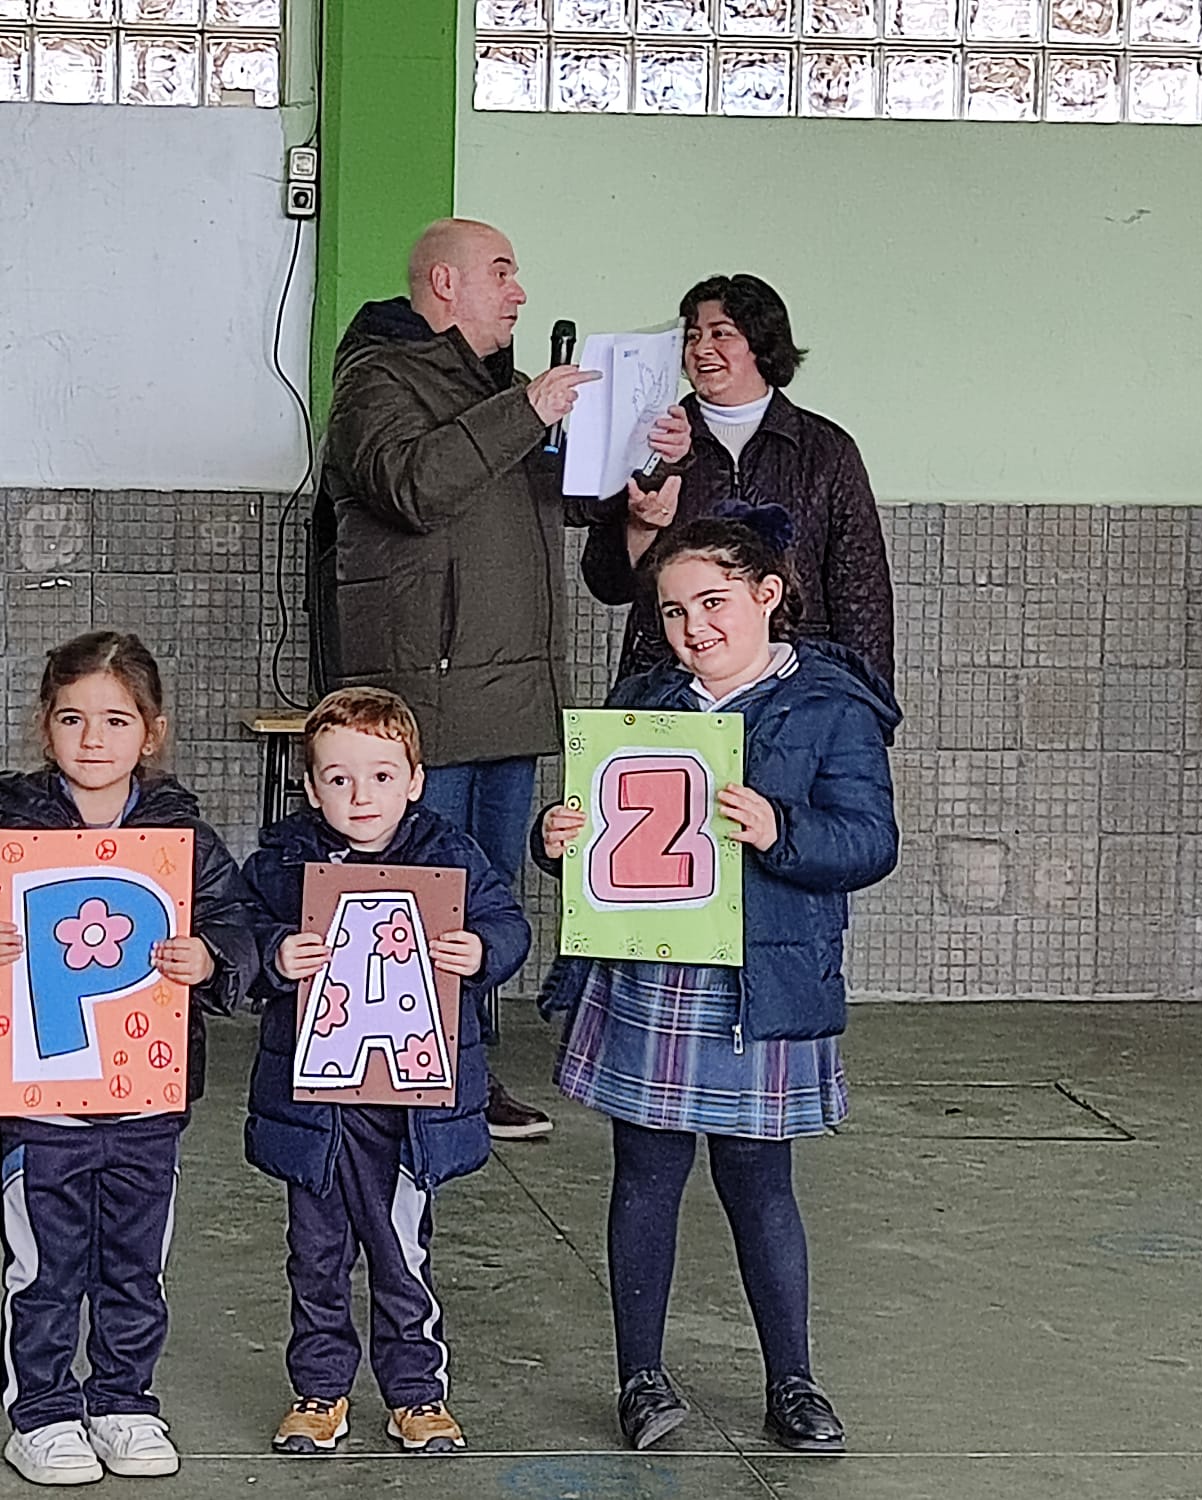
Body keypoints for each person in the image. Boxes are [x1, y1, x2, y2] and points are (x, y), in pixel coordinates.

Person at [535, 510, 898, 1456]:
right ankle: (641, 1379)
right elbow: (600, 834)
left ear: (767, 596)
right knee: (645, 1175)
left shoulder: (831, 707)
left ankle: (795, 1383)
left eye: (713, 603)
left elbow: (871, 841)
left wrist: (783, 831)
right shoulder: (645, 702)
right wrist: (555, 841)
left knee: (759, 1182)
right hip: (652, 970)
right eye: (672, 611)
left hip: (761, 981)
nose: (693, 628)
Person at [0, 631, 257, 1488]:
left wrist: (211, 959)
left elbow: (241, 927)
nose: (93, 739)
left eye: (115, 719)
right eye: (72, 718)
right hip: (42, 1102)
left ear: (153, 731)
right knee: (46, 1264)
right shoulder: (5, 828)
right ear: (43, 725)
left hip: (148, 1103)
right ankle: (43, 1412)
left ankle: (125, 1401)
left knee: (137, 1264)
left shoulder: (185, 835)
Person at [309, 217, 598, 1141]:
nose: (519, 293)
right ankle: (401, 1065)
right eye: (503, 274)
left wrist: (642, 472)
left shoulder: (503, 392)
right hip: (427, 692)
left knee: (485, 896)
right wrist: (528, 412)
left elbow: (557, 500)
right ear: (445, 282)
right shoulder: (377, 379)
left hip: (507, 691)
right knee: (412, 892)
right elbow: (412, 484)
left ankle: (469, 1071)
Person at [239, 686, 532, 1456]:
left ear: (414, 779)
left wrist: (482, 954)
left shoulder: (450, 854)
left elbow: (506, 922)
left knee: (403, 1255)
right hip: (314, 1109)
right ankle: (321, 1390)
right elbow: (236, 934)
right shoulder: (281, 862)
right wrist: (274, 954)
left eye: (378, 775)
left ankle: (416, 1394)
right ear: (311, 788)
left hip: (409, 1111)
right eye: (337, 778)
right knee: (316, 1256)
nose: (359, 794)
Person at [580, 274, 895, 687]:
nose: (701, 349)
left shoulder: (824, 449)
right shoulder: (645, 440)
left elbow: (861, 591)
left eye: (721, 333)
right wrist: (641, 527)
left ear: (761, 345)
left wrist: (866, 702)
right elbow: (608, 584)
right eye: (692, 337)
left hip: (798, 681)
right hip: (672, 679)